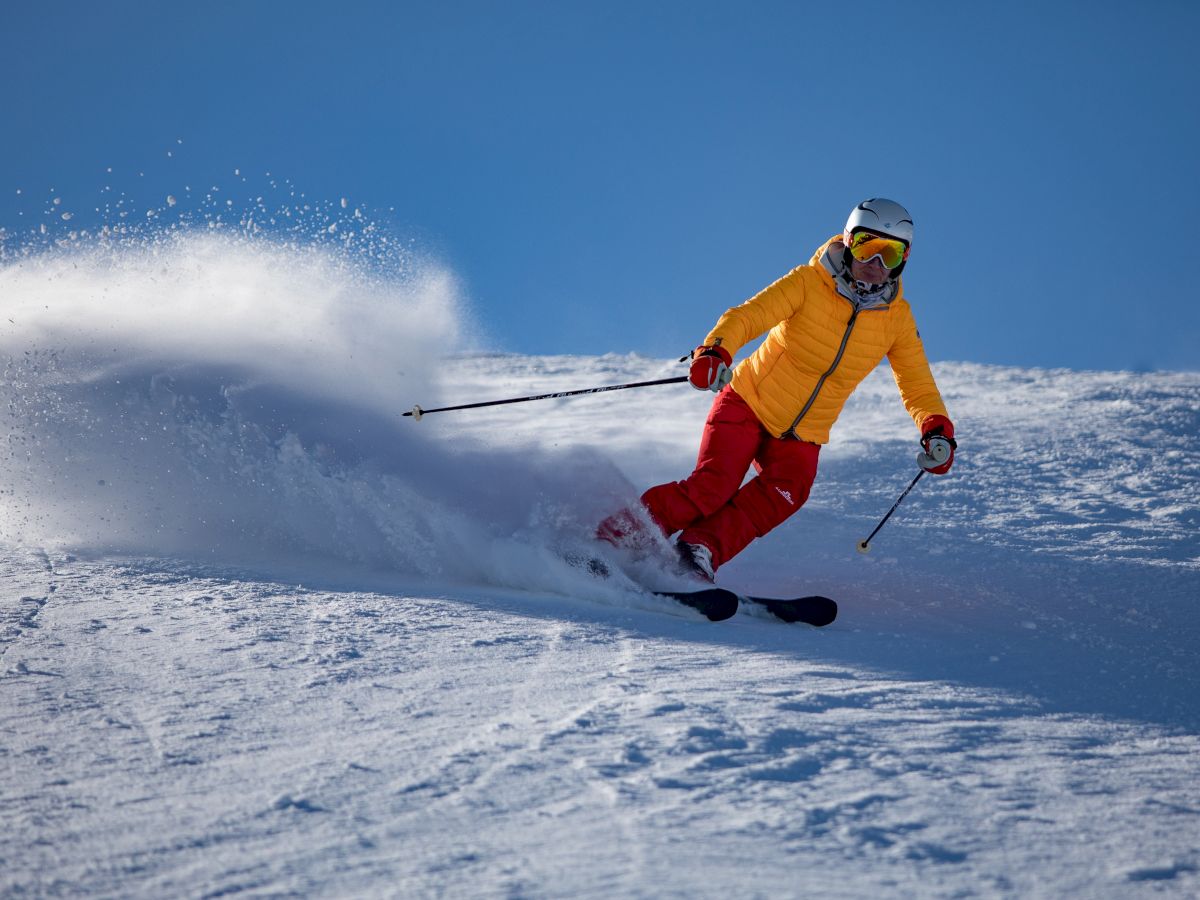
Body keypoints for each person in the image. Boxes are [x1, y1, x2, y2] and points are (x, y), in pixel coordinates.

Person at [597, 198, 956, 582]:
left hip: (804, 433)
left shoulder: (897, 319)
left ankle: (699, 550)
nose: (876, 263)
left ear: (905, 259)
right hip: (749, 402)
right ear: (849, 242)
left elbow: (916, 381)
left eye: (891, 252)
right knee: (712, 486)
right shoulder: (808, 282)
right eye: (868, 247)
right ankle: (615, 539)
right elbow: (748, 316)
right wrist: (715, 351)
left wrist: (936, 429)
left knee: (788, 492)